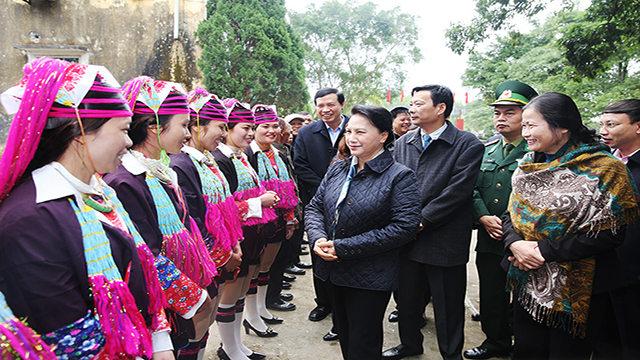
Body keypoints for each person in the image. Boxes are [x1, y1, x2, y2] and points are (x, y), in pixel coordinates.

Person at [0, 58, 172, 359]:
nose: (129, 141)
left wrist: (159, 341)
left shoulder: (97, 191)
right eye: (122, 129)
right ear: (80, 131)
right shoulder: (28, 221)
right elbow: (69, 340)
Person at [503, 92, 638, 359]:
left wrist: (543, 251)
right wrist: (515, 243)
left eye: (531, 125)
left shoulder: (605, 169)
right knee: (526, 350)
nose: (524, 131)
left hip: (580, 285)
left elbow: (610, 233)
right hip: (527, 278)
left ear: (562, 126)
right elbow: (511, 215)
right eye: (524, 125)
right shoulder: (528, 165)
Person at [103, 77, 215, 357]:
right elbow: (146, 253)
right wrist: (192, 295)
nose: (189, 134)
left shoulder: (159, 171)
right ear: (154, 127)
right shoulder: (124, 181)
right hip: (160, 296)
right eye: (184, 125)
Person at [306, 104, 421, 360]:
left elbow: (403, 228)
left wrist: (343, 247)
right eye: (348, 131)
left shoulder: (400, 176)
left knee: (363, 345)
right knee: (346, 338)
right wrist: (318, 238)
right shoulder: (339, 168)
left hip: (370, 276)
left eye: (361, 131)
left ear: (383, 135)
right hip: (332, 270)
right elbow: (314, 207)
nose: (352, 138)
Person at [384, 85, 484, 360]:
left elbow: (457, 192)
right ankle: (409, 344)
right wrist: (403, 222)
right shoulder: (404, 142)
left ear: (440, 108)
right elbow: (395, 184)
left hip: (444, 236)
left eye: (418, 104)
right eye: (411, 104)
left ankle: (451, 353)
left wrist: (420, 221)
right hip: (406, 235)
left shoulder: (468, 143)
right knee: (407, 298)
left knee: (448, 303)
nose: (411, 109)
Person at [168, 88, 245, 359]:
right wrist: (223, 256)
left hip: (217, 254)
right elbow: (193, 220)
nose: (225, 134)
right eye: (220, 126)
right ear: (197, 127)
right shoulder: (181, 163)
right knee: (195, 327)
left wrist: (232, 246)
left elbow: (227, 209)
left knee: (206, 321)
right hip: (203, 258)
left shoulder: (208, 160)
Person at [464, 81, 538, 360]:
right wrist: (482, 215)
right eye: (498, 113)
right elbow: (469, 187)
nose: (501, 119)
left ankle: (527, 345)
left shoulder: (538, 152)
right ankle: (495, 342)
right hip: (490, 236)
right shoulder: (486, 149)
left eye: (510, 112)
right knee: (492, 294)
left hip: (524, 241)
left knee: (526, 297)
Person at [211, 99, 279, 360]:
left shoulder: (240, 156)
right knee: (231, 291)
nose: (250, 133)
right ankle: (229, 348)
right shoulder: (221, 159)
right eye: (245, 127)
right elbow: (224, 207)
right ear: (227, 128)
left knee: (241, 290)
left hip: (252, 232)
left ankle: (236, 344)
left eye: (252, 128)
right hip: (237, 234)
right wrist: (258, 202)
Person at [294, 88, 349, 328]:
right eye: (320, 105)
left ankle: (343, 304)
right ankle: (323, 302)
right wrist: (326, 190)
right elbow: (300, 165)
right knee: (320, 249)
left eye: (330, 104)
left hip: (351, 201)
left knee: (344, 249)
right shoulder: (306, 133)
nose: (325, 110)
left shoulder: (354, 127)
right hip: (316, 201)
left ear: (342, 104)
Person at [243, 105, 298, 327]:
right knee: (253, 268)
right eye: (265, 126)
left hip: (277, 218)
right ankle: (251, 315)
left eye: (275, 126)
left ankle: (261, 308)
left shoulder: (279, 154)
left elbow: (290, 189)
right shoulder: (248, 154)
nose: (271, 130)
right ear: (254, 129)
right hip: (256, 218)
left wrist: (290, 217)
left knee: (266, 267)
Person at [594, 99, 640, 360]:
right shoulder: (601, 163)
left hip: (633, 271)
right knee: (603, 338)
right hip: (601, 264)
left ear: (638, 127)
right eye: (602, 124)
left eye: (611, 125)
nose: (603, 131)